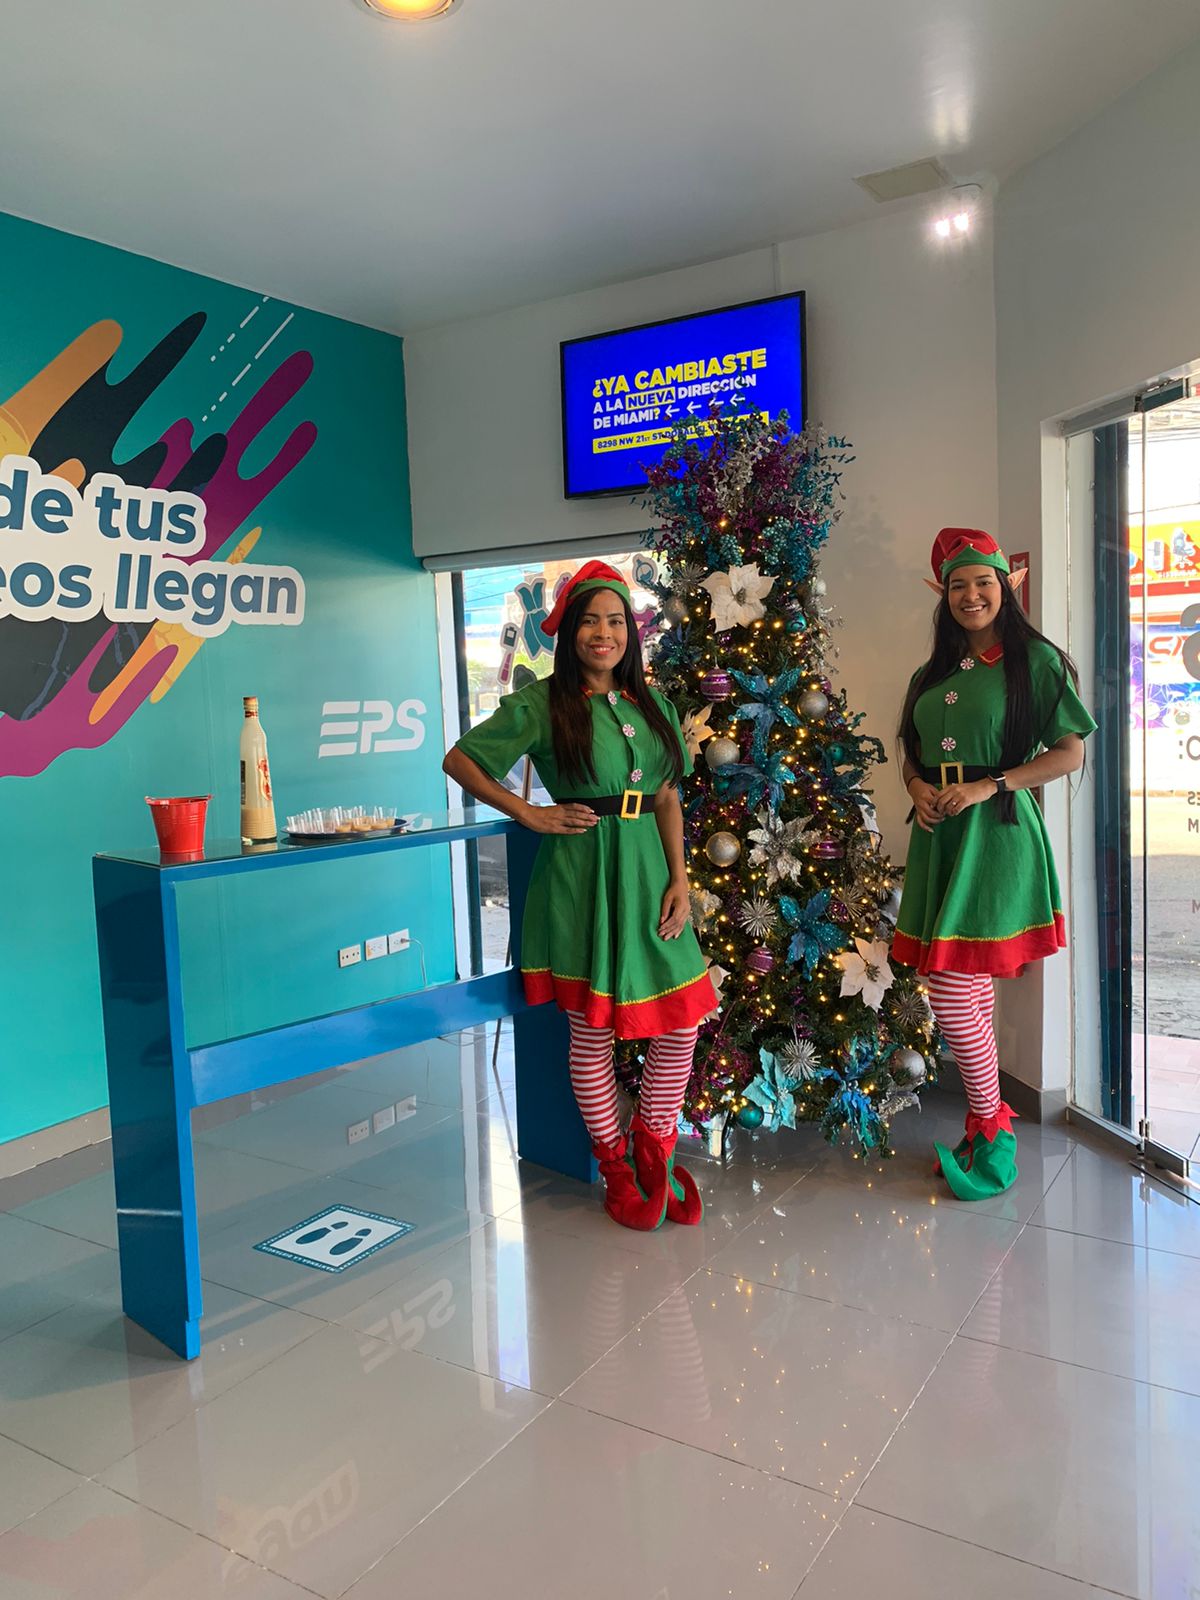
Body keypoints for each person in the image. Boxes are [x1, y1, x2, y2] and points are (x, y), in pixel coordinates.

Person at [443, 561, 717, 1230]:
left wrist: (680, 878)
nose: (604, 633)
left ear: (631, 631)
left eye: (616, 621)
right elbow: (461, 760)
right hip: (579, 879)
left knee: (681, 1021)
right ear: (569, 634)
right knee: (591, 1034)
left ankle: (653, 1147)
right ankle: (615, 1166)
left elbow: (666, 797)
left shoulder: (653, 705)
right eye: (590, 621)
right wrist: (529, 812)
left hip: (649, 878)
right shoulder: (541, 703)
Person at [892, 528, 1096, 1199]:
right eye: (958, 585)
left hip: (999, 832)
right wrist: (918, 789)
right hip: (942, 835)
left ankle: (991, 1123)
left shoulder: (1034, 660)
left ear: (1005, 586)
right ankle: (989, 1125)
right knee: (967, 984)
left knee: (951, 986)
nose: (971, 595)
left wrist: (991, 784)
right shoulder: (933, 671)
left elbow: (1070, 752)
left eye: (983, 581)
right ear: (944, 595)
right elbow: (912, 752)